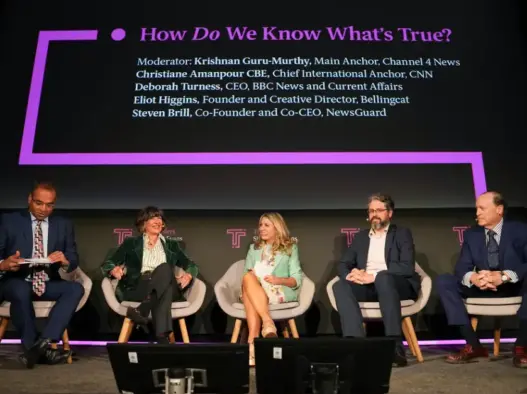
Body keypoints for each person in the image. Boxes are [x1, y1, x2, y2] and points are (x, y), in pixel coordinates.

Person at [436, 191, 527, 367]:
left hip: (512, 285)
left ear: (499, 209)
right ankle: (473, 345)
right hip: (483, 287)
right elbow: (462, 267)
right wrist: (474, 278)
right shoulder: (472, 234)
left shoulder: (520, 230)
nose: (477, 213)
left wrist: (504, 276)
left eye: (482, 208)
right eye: (476, 208)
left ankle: (522, 346)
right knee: (444, 281)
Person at [0, 182, 85, 369]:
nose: (43, 209)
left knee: (75, 288)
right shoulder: (9, 220)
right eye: (39, 203)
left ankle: (42, 344)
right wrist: (3, 264)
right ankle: (34, 346)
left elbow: (73, 258)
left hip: (47, 281)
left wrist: (64, 260)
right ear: (29, 199)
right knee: (20, 289)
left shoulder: (63, 224)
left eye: (49, 205)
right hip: (16, 279)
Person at [332, 193, 420, 367]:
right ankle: (356, 344)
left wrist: (374, 275)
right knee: (340, 285)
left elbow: (407, 267)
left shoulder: (402, 233)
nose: (374, 214)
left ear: (390, 213)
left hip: (396, 285)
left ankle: (394, 345)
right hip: (368, 286)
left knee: (383, 277)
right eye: (371, 211)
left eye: (379, 210)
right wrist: (352, 274)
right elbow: (343, 264)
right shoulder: (361, 237)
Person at [101, 206, 198, 344]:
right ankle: (162, 339)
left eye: (160, 218)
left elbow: (191, 264)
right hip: (139, 286)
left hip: (166, 282)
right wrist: (113, 270)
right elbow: (108, 263)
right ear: (143, 223)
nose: (158, 221)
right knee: (166, 290)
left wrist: (188, 275)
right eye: (153, 218)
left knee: (164, 269)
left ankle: (142, 310)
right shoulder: (131, 243)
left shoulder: (172, 245)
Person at [241, 212, 303, 366]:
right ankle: (267, 323)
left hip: (278, 290)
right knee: (248, 278)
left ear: (277, 228)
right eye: (260, 225)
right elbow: (246, 275)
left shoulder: (290, 248)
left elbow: (296, 279)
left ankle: (252, 343)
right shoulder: (253, 249)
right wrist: (254, 275)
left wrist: (278, 280)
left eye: (266, 225)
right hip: (257, 289)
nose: (261, 228)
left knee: (248, 293)